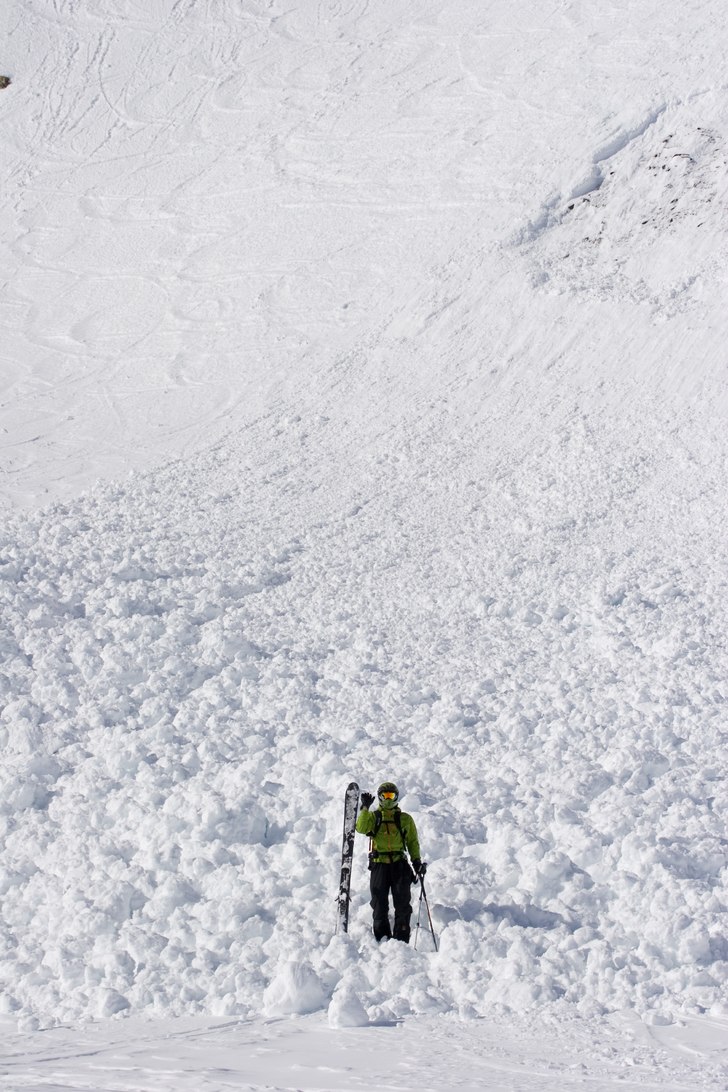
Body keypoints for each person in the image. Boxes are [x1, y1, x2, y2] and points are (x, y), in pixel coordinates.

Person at [355, 781, 426, 943]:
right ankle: (382, 939)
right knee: (379, 903)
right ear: (380, 797)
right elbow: (361, 828)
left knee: (402, 903)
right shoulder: (374, 817)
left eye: (391, 795)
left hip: (399, 864)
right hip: (379, 864)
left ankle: (401, 939)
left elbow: (412, 842)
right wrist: (365, 808)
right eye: (385, 796)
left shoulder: (405, 819)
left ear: (396, 797)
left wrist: (416, 861)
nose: (388, 799)